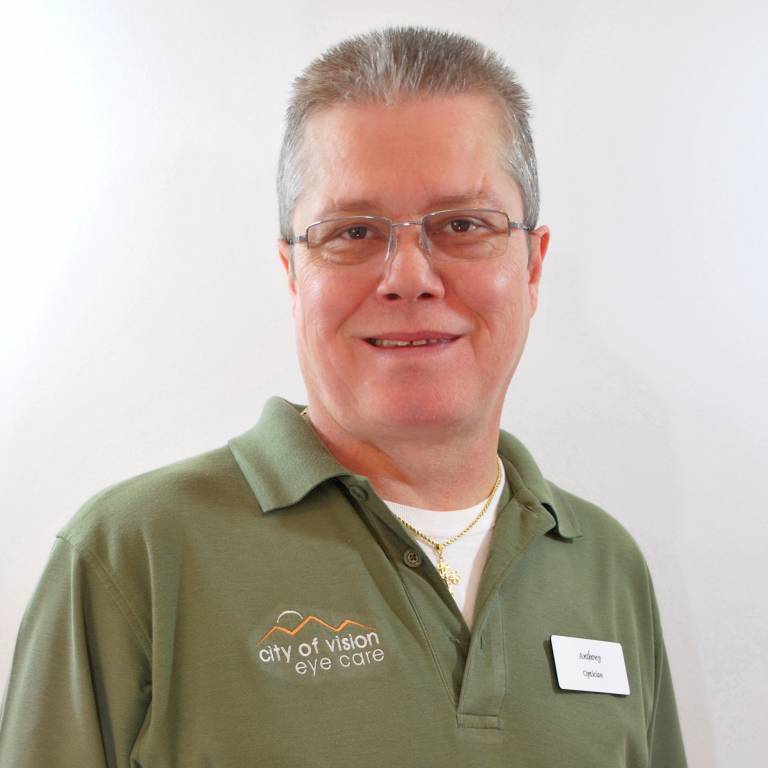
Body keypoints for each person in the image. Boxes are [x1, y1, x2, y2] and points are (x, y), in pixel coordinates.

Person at [0, 27, 686, 767]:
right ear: (293, 273)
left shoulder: (607, 568)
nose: (409, 277)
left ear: (533, 266)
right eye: (353, 231)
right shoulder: (133, 557)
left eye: (463, 225)